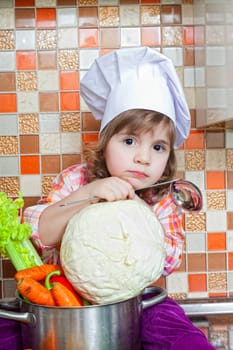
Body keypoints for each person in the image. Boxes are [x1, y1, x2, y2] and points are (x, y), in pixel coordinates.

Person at [20, 47, 215, 349]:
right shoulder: (77, 179)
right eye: (129, 141)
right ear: (104, 142)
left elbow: (168, 261)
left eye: (158, 147)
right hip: (68, 301)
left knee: (185, 339)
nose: (143, 158)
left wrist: (140, 213)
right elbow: (38, 234)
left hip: (139, 304)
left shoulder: (163, 198)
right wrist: (87, 195)